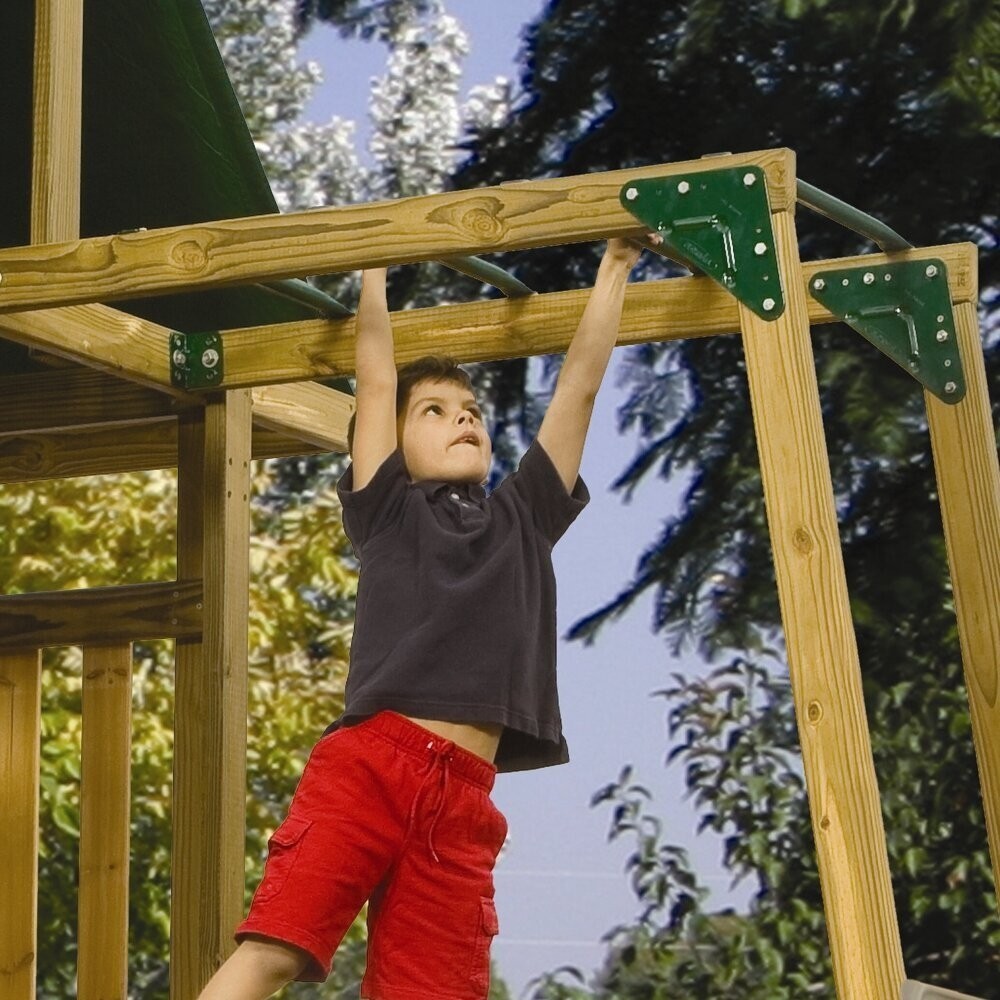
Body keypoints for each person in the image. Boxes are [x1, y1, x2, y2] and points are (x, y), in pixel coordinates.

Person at [198, 236, 651, 1000]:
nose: (462, 420)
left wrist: (616, 268)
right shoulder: (387, 510)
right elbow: (375, 383)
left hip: (463, 802)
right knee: (278, 946)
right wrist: (374, 263)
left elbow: (577, 388)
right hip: (374, 766)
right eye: (435, 411)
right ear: (395, 446)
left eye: (471, 411)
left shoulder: (525, 516)